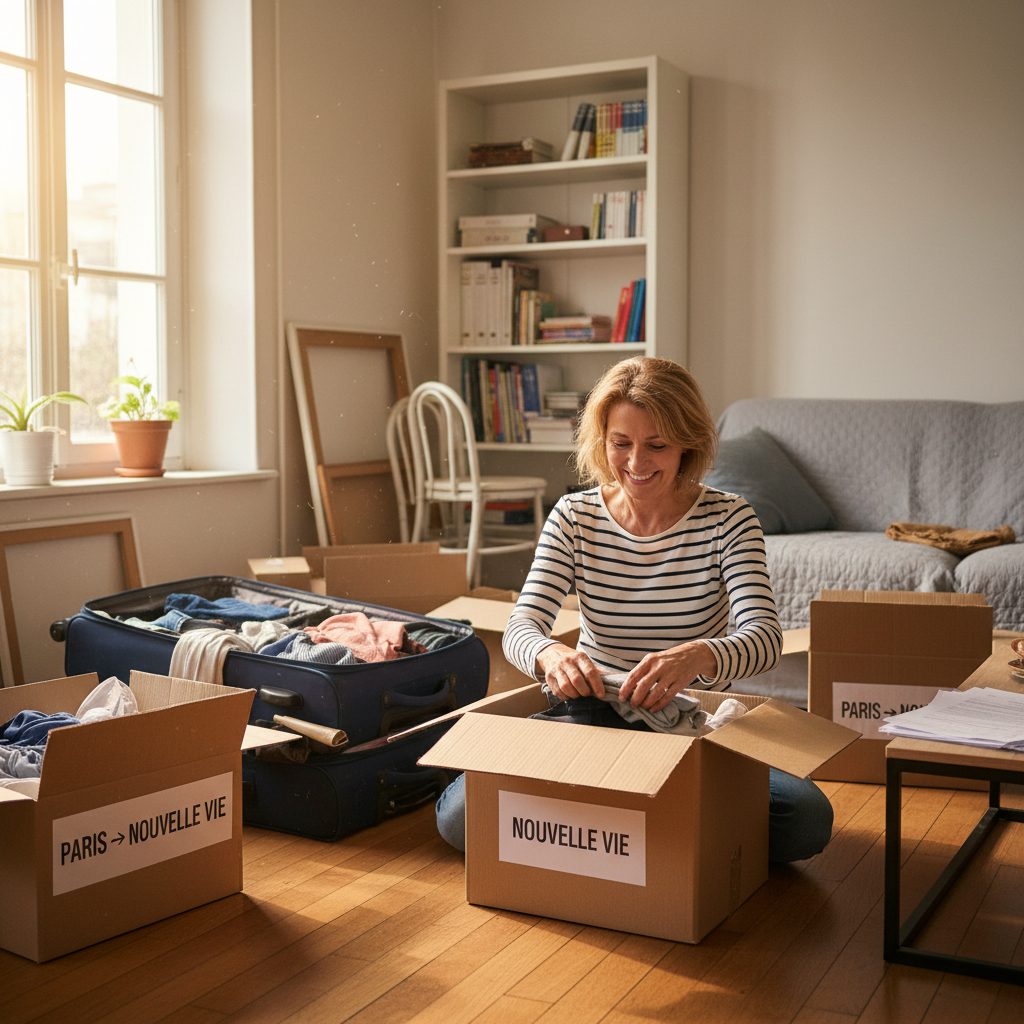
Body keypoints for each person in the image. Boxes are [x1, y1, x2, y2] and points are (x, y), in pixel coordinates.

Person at [436, 356, 834, 863]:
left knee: (805, 820)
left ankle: (615, 826)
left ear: (688, 442)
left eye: (657, 445)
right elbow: (522, 625)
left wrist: (696, 657)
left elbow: (764, 638)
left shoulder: (730, 519)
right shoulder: (573, 517)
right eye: (621, 443)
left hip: (687, 725)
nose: (636, 463)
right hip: (589, 713)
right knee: (457, 818)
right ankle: (658, 832)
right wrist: (550, 656)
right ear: (602, 440)